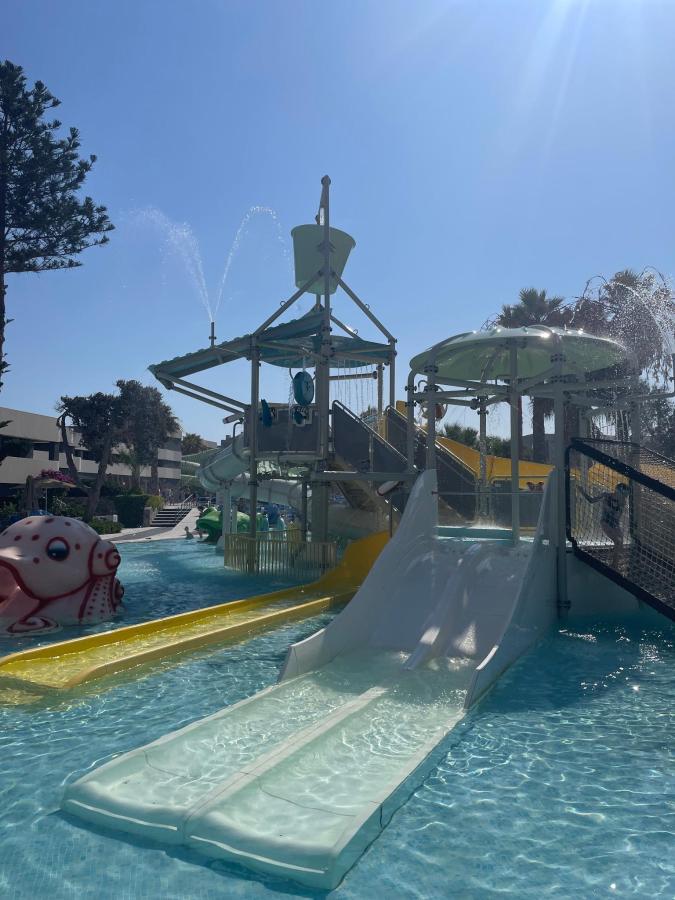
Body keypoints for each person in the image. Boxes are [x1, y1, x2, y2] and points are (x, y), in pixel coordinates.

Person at [577, 481, 629, 567]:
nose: (624, 497)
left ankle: (615, 561)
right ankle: (614, 565)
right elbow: (591, 500)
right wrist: (582, 491)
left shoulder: (623, 502)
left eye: (625, 496)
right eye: (623, 495)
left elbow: (616, 517)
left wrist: (616, 508)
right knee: (617, 542)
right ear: (617, 491)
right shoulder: (606, 495)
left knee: (621, 543)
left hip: (615, 524)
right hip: (605, 522)